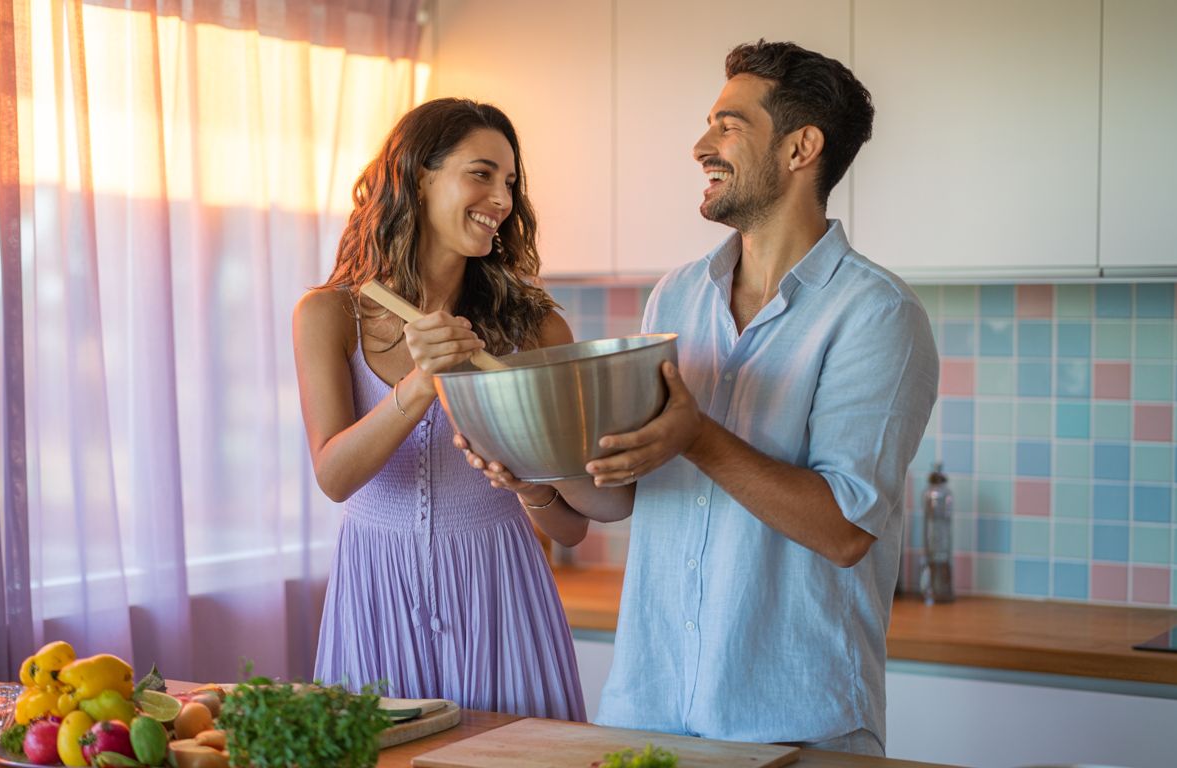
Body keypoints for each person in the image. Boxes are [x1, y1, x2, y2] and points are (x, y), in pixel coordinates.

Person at [475, 40, 938, 754]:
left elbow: (846, 530)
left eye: (729, 124)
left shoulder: (877, 315)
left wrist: (697, 436)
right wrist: (530, 467)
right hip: (648, 709)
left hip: (794, 723)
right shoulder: (678, 294)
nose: (702, 145)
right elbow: (624, 491)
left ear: (800, 148)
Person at [291, 98, 588, 720]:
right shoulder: (328, 315)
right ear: (418, 177)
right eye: (481, 174)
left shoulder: (535, 329)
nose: (501, 199)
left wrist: (527, 484)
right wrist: (422, 384)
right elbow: (334, 476)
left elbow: (574, 527)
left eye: (510, 182)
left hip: (501, 590)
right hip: (376, 592)